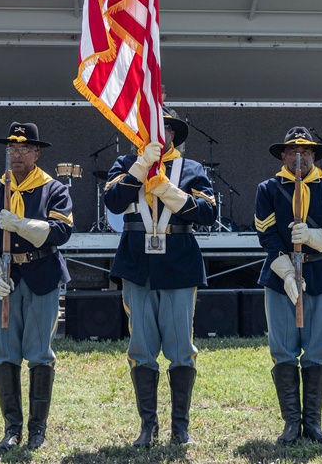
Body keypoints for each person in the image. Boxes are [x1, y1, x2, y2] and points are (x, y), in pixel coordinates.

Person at [104, 110, 216, 447]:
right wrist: (139, 168)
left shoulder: (192, 169)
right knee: (141, 349)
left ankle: (179, 428)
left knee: (182, 349)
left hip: (179, 265)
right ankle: (147, 427)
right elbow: (112, 199)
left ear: (172, 133)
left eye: (163, 126)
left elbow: (209, 213)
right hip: (137, 265)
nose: (157, 132)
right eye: (149, 126)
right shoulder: (125, 163)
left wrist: (170, 191)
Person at [0, 121, 73, 450]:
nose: (17, 155)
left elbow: (61, 232)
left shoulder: (54, 189)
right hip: (5, 280)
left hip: (42, 276)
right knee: (4, 353)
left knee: (40, 354)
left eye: (24, 149)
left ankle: (38, 430)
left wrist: (20, 225)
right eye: (12, 149)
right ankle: (12, 429)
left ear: (36, 153)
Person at [254, 126, 322, 445]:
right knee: (282, 350)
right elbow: (265, 235)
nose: (299, 157)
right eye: (293, 151)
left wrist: (313, 236)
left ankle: (313, 424)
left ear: (313, 155)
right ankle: (291, 423)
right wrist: (286, 269)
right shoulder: (267, 189)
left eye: (306, 151)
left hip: (319, 275)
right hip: (281, 276)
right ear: (283, 155)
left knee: (317, 350)